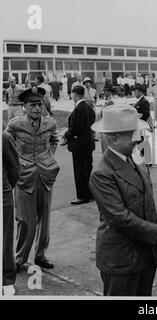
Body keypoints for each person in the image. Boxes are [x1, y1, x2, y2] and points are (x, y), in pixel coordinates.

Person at [89, 104, 157, 296]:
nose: (138, 138)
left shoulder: (133, 157)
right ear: (113, 137)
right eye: (132, 133)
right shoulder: (102, 173)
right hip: (122, 259)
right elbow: (119, 217)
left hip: (145, 254)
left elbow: (147, 203)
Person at [5, 86, 60, 271]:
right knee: (24, 220)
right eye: (33, 105)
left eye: (40, 105)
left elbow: (54, 140)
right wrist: (15, 165)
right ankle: (20, 259)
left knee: (45, 219)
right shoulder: (15, 124)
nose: (37, 108)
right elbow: (6, 145)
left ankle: (40, 255)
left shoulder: (50, 123)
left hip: (45, 174)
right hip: (23, 176)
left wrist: (49, 157)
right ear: (24, 106)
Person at [63, 85, 96, 205]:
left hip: (79, 144)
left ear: (75, 94)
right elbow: (92, 120)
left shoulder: (78, 109)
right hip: (88, 142)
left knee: (80, 171)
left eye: (72, 94)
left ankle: (82, 196)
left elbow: (75, 128)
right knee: (88, 169)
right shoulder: (88, 107)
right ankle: (90, 193)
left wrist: (66, 135)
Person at [2, 131, 20, 296]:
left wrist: (6, 189)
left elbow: (14, 169)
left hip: (3, 195)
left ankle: (6, 278)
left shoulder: (4, 138)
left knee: (5, 238)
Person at [133, 84, 152, 166]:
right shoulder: (139, 101)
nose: (134, 93)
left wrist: (138, 116)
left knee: (143, 142)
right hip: (139, 125)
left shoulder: (144, 101)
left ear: (140, 92)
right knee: (140, 142)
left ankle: (148, 161)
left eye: (135, 91)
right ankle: (145, 159)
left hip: (142, 125)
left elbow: (146, 114)